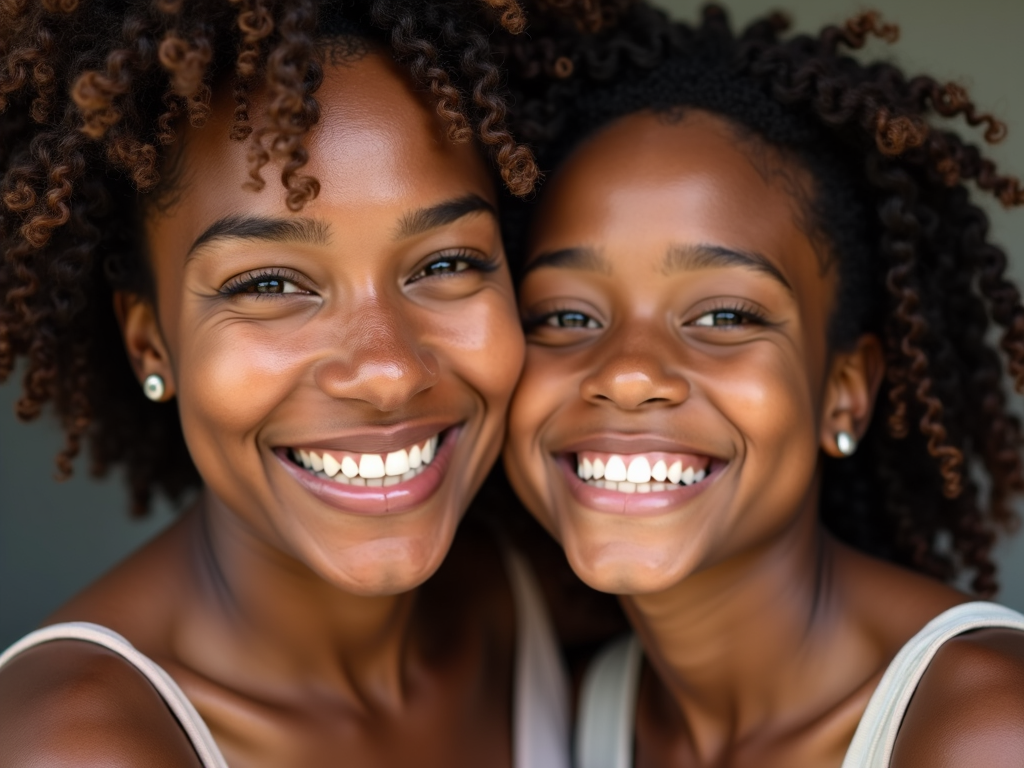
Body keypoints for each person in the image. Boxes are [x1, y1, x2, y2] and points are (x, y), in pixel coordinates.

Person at [0, 1, 601, 765]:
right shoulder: (80, 743)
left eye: (446, 264)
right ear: (151, 344)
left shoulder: (549, 597)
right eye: (271, 284)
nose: (386, 371)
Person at [501, 4, 1024, 766]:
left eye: (723, 315)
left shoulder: (983, 729)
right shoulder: (577, 710)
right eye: (564, 315)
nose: (629, 372)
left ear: (844, 389)